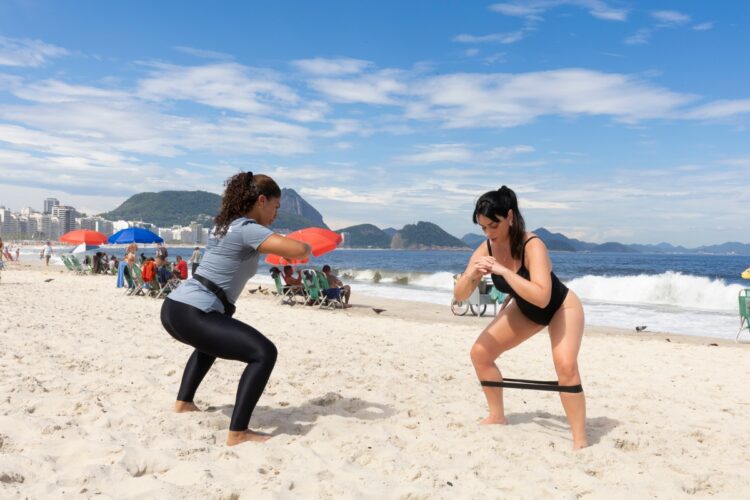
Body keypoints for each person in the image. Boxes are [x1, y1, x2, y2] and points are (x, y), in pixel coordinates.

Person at [160, 172, 311, 446]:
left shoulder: (225, 225)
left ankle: (184, 402)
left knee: (208, 347)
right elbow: (299, 249)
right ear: (261, 201)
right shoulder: (247, 229)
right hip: (194, 311)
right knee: (264, 353)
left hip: (175, 308)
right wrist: (306, 247)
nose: (276, 214)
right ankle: (238, 432)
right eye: (275, 207)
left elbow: (248, 251)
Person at [453, 186, 587, 449]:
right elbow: (460, 295)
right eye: (484, 228)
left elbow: (543, 297)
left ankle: (580, 438)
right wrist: (471, 276)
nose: (490, 233)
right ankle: (496, 416)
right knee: (480, 353)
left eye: (494, 225)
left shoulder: (532, 244)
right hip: (526, 310)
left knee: (566, 366)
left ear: (510, 217)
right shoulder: (486, 248)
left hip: (561, 307)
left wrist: (502, 270)